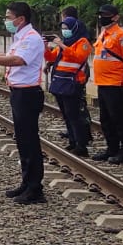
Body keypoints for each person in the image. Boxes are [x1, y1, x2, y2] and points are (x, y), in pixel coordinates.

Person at [0, 1, 45, 204]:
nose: (6, 21)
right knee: (22, 141)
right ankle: (26, 182)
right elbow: (9, 56)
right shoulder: (20, 37)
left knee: (29, 141)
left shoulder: (32, 39)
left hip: (28, 94)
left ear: (20, 19)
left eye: (8, 17)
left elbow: (17, 60)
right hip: (18, 93)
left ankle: (35, 189)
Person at [91, 4, 123, 165]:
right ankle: (112, 148)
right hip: (103, 83)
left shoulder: (122, 36)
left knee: (119, 119)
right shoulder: (103, 34)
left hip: (116, 83)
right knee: (106, 119)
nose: (102, 17)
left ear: (115, 17)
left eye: (106, 14)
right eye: (101, 14)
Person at [44, 15, 92, 156]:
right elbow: (51, 57)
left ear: (74, 28)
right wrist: (45, 47)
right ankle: (72, 141)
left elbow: (78, 57)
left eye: (67, 28)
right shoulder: (64, 43)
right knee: (66, 114)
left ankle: (81, 144)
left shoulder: (83, 42)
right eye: (63, 29)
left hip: (73, 84)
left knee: (74, 115)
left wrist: (61, 44)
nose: (64, 31)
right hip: (61, 83)